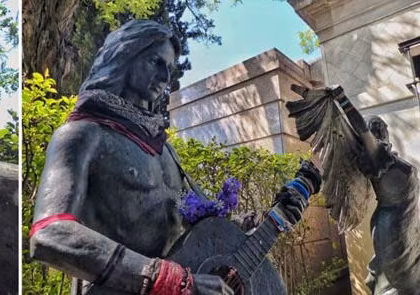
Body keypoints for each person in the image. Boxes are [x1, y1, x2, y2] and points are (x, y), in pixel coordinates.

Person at [28, 20, 321, 295]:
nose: (166, 77)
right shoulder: (81, 134)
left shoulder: (164, 149)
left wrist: (265, 221)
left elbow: (197, 232)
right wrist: (168, 280)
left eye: (169, 67)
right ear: (124, 56)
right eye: (155, 62)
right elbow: (50, 233)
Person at [362, 116, 420, 294]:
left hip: (409, 217)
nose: (381, 131)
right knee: (398, 282)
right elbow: (359, 128)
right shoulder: (377, 158)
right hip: (390, 222)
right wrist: (344, 102)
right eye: (375, 128)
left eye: (382, 127)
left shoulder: (390, 156)